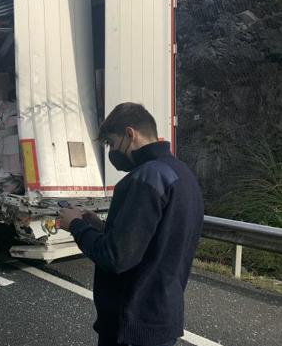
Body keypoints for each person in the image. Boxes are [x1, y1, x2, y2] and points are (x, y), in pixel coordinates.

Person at [59, 103, 204, 346]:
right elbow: (150, 241)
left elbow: (116, 257)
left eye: (113, 144)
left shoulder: (146, 178)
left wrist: (75, 225)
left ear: (130, 134)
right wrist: (95, 224)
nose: (113, 152)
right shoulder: (182, 174)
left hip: (132, 323)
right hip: (162, 315)